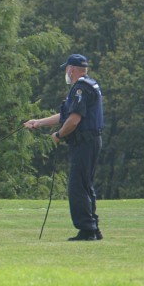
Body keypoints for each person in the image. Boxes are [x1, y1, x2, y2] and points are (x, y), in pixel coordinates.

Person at [24, 54, 104, 241]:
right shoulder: (89, 84)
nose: (65, 73)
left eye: (66, 69)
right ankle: (93, 227)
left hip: (84, 142)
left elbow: (73, 121)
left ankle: (86, 230)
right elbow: (65, 116)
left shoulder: (80, 89)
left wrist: (59, 135)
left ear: (71, 69)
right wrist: (37, 123)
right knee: (85, 185)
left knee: (77, 187)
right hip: (91, 141)